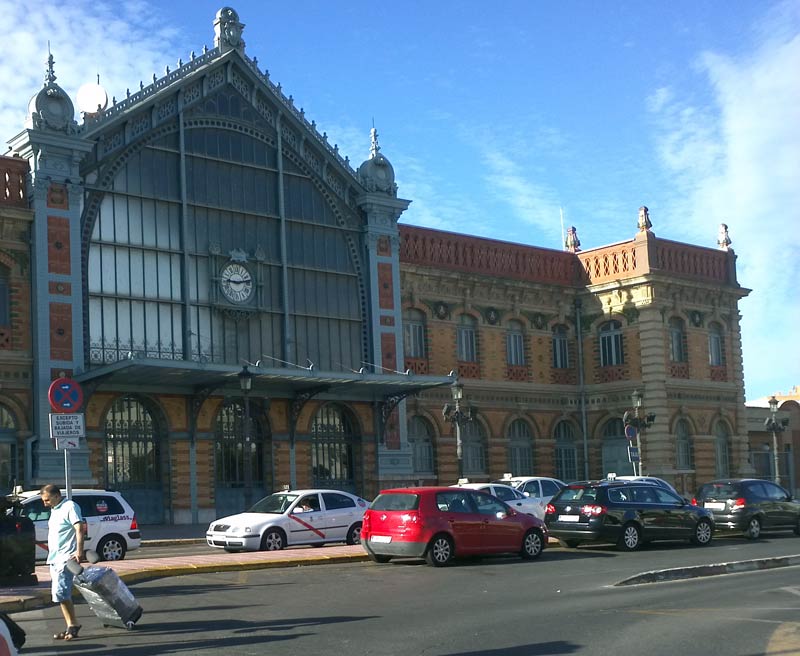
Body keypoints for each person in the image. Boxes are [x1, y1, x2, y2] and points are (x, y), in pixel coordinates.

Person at [41, 484, 84, 641]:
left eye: (46, 500)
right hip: (54, 558)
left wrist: (79, 551)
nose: (45, 503)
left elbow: (79, 528)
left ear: (56, 496)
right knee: (60, 593)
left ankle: (72, 626)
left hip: (66, 558)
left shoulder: (70, 506)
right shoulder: (55, 510)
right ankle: (72, 625)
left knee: (60, 592)